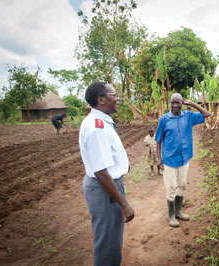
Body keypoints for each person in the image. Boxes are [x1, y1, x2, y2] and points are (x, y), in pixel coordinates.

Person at [79, 82, 134, 266]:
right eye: (114, 94)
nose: (118, 98)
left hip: (107, 184)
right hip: (104, 188)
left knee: (112, 239)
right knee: (108, 243)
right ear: (101, 99)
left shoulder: (102, 122)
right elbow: (101, 173)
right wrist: (124, 204)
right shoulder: (97, 127)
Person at [155, 93, 211, 227]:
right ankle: (171, 216)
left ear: (182, 103)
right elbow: (158, 140)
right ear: (170, 104)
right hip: (169, 159)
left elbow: (207, 114)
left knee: (182, 185)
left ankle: (179, 211)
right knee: (171, 188)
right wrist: (159, 158)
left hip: (184, 158)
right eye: (172, 103)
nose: (175, 106)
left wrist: (192, 103)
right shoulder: (164, 119)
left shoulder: (189, 116)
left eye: (177, 103)